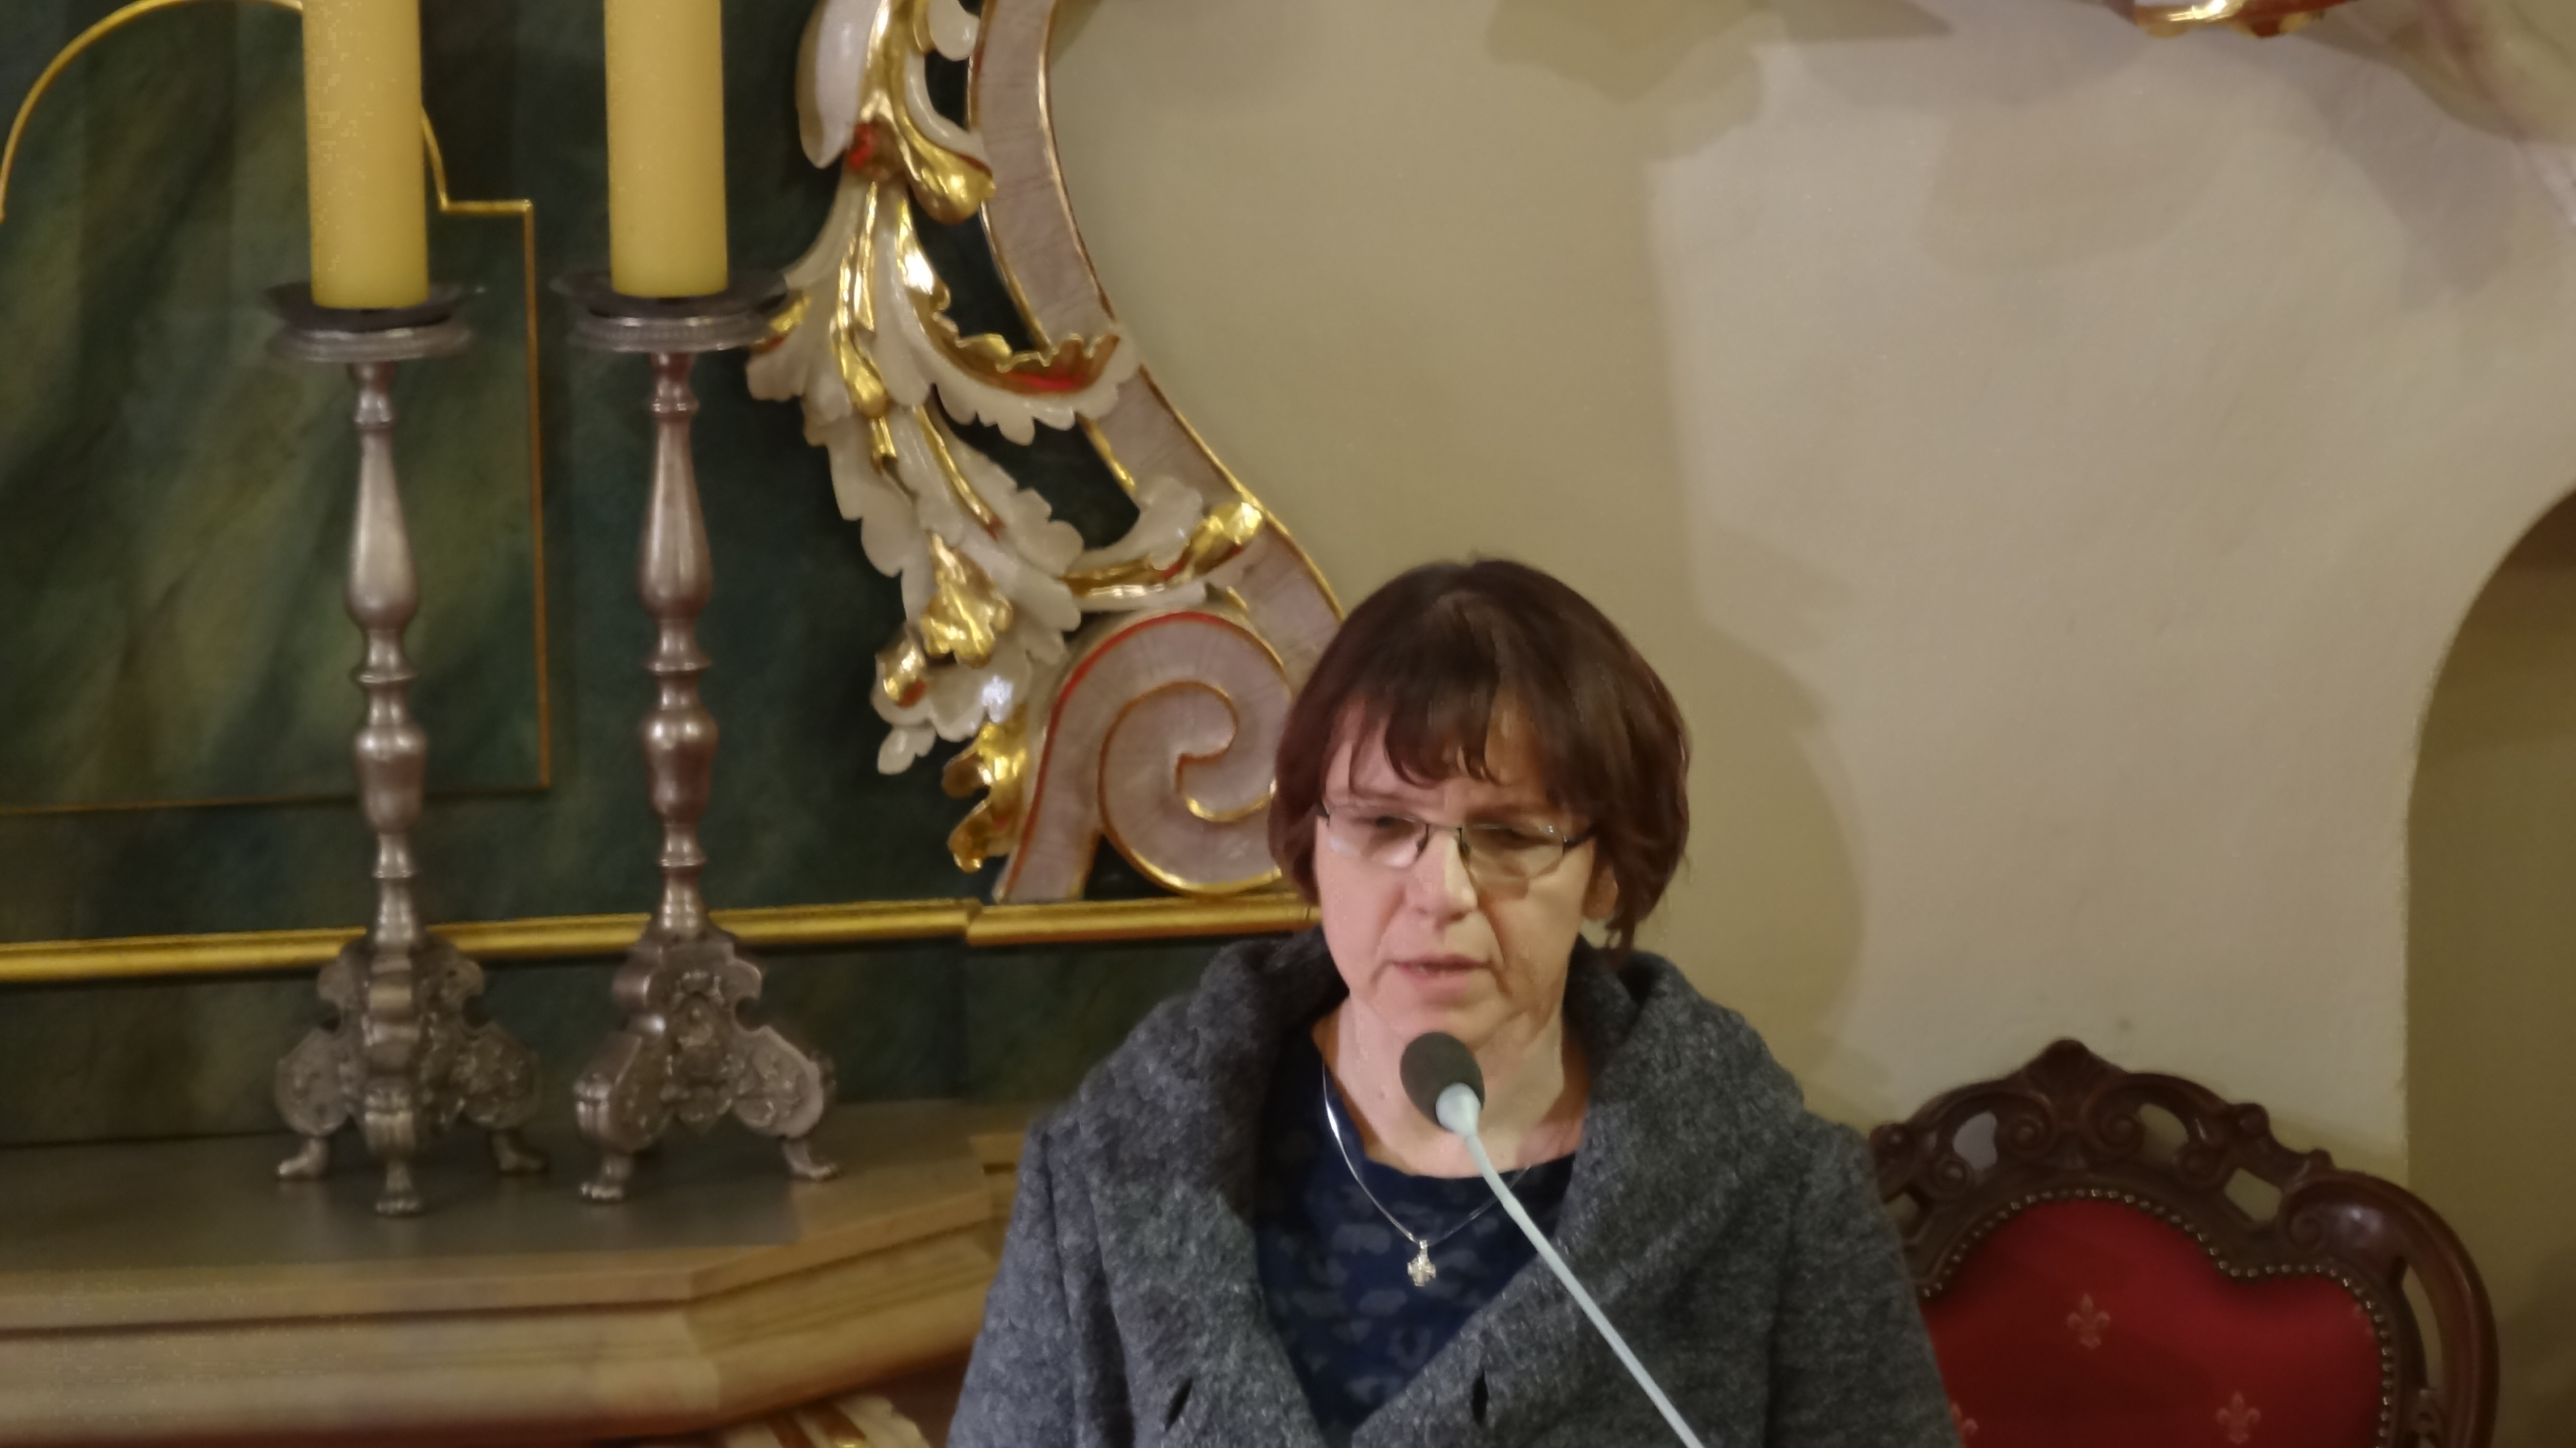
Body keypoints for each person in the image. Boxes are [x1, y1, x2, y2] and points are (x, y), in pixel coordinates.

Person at [949, 559, 1955, 1448]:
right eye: (1385, 824)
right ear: (1311, 843)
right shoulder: (1106, 1170)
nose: (1441, 893)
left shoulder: (1782, 1200)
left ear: (1605, 873)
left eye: (1511, 834)